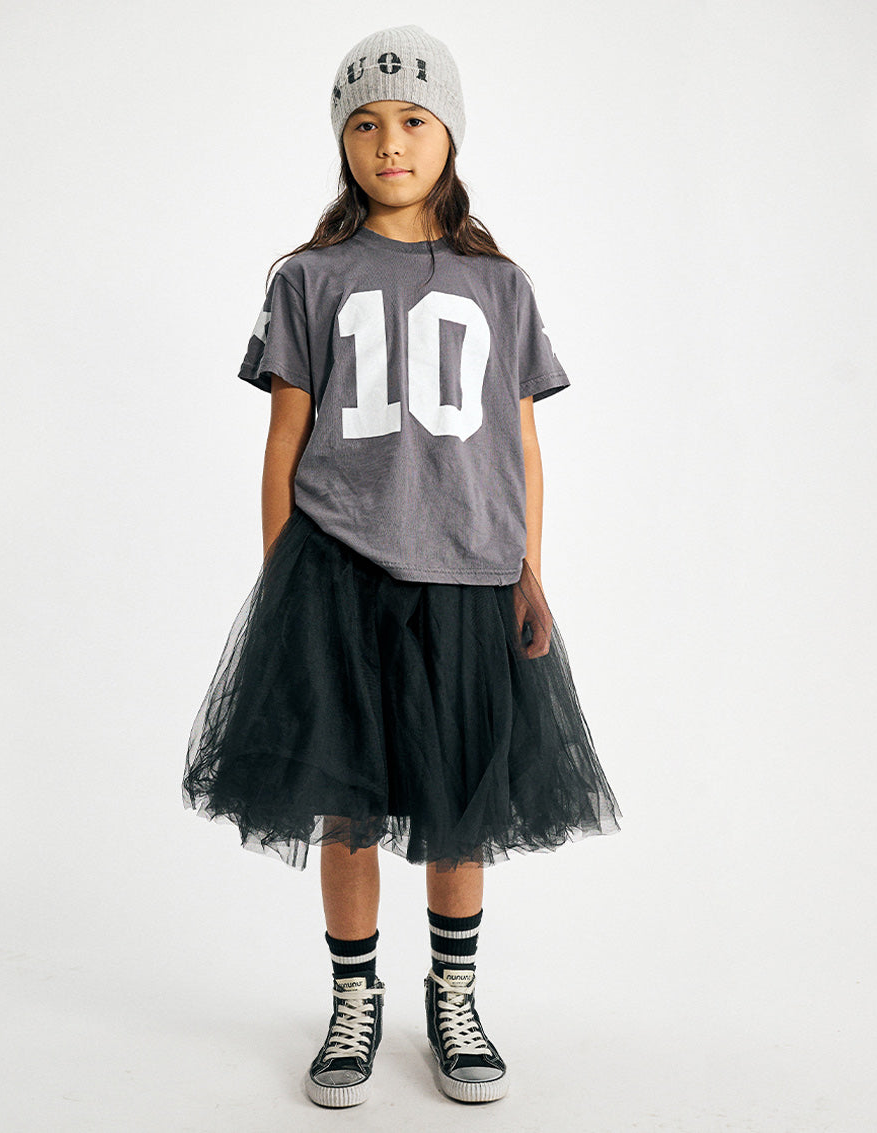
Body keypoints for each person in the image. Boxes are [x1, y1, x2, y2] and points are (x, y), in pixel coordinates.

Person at [182, 24, 622, 1108]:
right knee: (345, 803)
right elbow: (284, 441)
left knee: (458, 803)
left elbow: (521, 443)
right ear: (343, 142)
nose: (390, 143)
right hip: (336, 572)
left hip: (469, 572)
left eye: (414, 121)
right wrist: (283, 584)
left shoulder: (500, 284)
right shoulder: (309, 277)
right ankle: (353, 998)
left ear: (449, 135)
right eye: (366, 125)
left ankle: (454, 996)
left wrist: (529, 567)